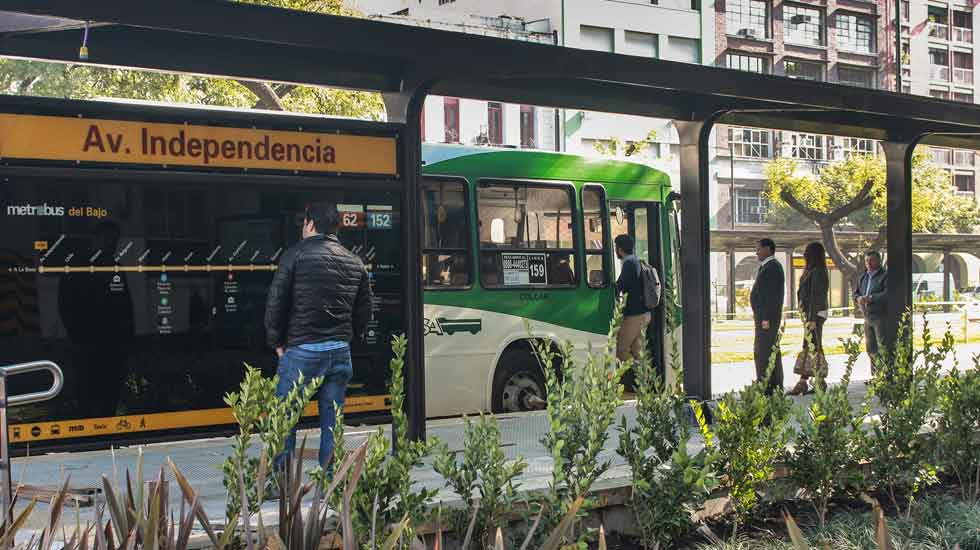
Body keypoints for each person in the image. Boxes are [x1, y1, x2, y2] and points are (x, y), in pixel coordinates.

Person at [265, 202, 373, 469]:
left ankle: (283, 487)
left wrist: (276, 343)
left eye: (304, 223)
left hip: (303, 350)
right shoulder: (354, 261)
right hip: (339, 351)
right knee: (332, 423)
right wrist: (348, 338)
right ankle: (330, 485)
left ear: (310, 224)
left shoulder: (294, 255)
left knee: (285, 419)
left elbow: (275, 303)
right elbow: (364, 312)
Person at [788, 242, 830, 396]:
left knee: (813, 345)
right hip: (811, 314)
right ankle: (814, 381)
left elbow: (816, 295)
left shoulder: (817, 271)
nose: (804, 255)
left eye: (807, 252)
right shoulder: (811, 270)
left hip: (816, 314)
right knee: (812, 345)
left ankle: (806, 382)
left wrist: (811, 318)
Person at [750, 238, 785, 395]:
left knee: (765, 351)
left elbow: (770, 296)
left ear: (768, 249)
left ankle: (768, 385)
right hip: (764, 317)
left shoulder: (772, 268)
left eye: (759, 249)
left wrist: (765, 318)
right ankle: (771, 384)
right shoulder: (768, 267)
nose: (756, 252)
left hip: (766, 319)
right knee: (768, 350)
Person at [614, 234, 651, 361]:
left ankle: (637, 373)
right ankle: (643, 379)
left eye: (615, 247)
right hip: (644, 313)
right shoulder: (636, 261)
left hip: (635, 315)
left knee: (620, 350)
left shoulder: (629, 264)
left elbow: (620, 286)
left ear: (619, 249)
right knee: (637, 351)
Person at [854, 250, 887, 370]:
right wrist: (858, 298)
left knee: (882, 347)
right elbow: (856, 293)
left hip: (881, 317)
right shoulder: (864, 277)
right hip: (867, 317)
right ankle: (875, 377)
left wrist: (871, 298)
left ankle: (884, 377)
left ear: (878, 261)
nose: (868, 263)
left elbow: (888, 294)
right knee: (870, 348)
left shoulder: (885, 276)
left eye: (871, 260)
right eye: (866, 261)